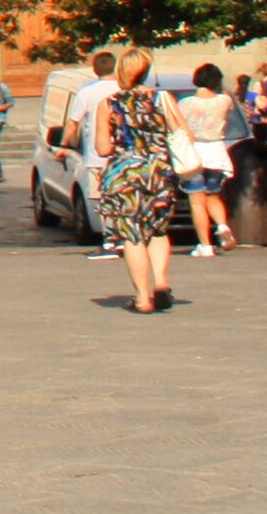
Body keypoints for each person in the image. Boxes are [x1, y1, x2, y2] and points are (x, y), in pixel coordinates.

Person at [93, 48, 178, 314]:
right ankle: (161, 284)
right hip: (158, 172)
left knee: (132, 235)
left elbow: (103, 149)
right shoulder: (163, 99)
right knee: (158, 230)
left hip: (125, 176)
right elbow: (182, 132)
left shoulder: (109, 104)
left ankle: (142, 298)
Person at [172, 63, 235, 259]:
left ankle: (205, 244)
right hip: (216, 151)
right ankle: (223, 226)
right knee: (213, 196)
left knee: (196, 201)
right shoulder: (224, 101)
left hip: (194, 153)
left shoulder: (185, 103)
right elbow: (228, 113)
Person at [65, 51, 124, 252]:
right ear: (115, 67)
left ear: (95, 69)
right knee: (122, 195)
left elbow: (73, 123)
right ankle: (125, 236)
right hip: (122, 153)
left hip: (96, 154)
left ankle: (109, 239)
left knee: (102, 197)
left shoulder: (87, 92)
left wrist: (64, 145)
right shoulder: (123, 89)